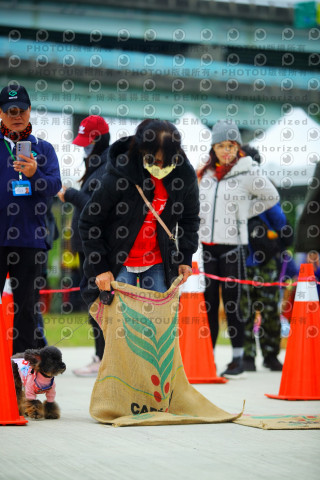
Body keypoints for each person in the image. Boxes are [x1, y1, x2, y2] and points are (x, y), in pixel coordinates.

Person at [78, 119, 199, 311]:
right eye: (156, 161)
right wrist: (100, 268)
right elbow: (89, 222)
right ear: (143, 151)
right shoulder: (120, 173)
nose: (162, 167)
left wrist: (185, 257)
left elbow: (190, 218)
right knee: (122, 330)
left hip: (158, 262)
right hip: (119, 262)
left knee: (157, 326)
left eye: (169, 161)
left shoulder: (184, 175)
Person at [197, 119, 279, 378]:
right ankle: (206, 357)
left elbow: (271, 197)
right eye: (220, 146)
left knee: (234, 305)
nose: (225, 151)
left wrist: (244, 214)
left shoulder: (248, 172)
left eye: (230, 146)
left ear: (237, 147)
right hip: (207, 248)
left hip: (233, 247)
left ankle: (237, 359)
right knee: (208, 305)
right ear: (213, 148)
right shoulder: (205, 175)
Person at [0, 83, 61, 354]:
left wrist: (35, 172)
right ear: (1, 113)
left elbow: (53, 187)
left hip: (31, 241)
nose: (16, 115)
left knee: (26, 310)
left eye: (21, 109)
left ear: (30, 110)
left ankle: (21, 371)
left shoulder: (44, 149)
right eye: (10, 110)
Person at [57, 115, 110, 376]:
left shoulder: (107, 166)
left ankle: (103, 358)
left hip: (96, 248)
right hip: (85, 246)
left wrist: (70, 195)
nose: (83, 148)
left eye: (87, 143)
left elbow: (96, 207)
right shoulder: (95, 164)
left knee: (99, 304)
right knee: (94, 303)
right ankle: (100, 356)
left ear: (97, 140)